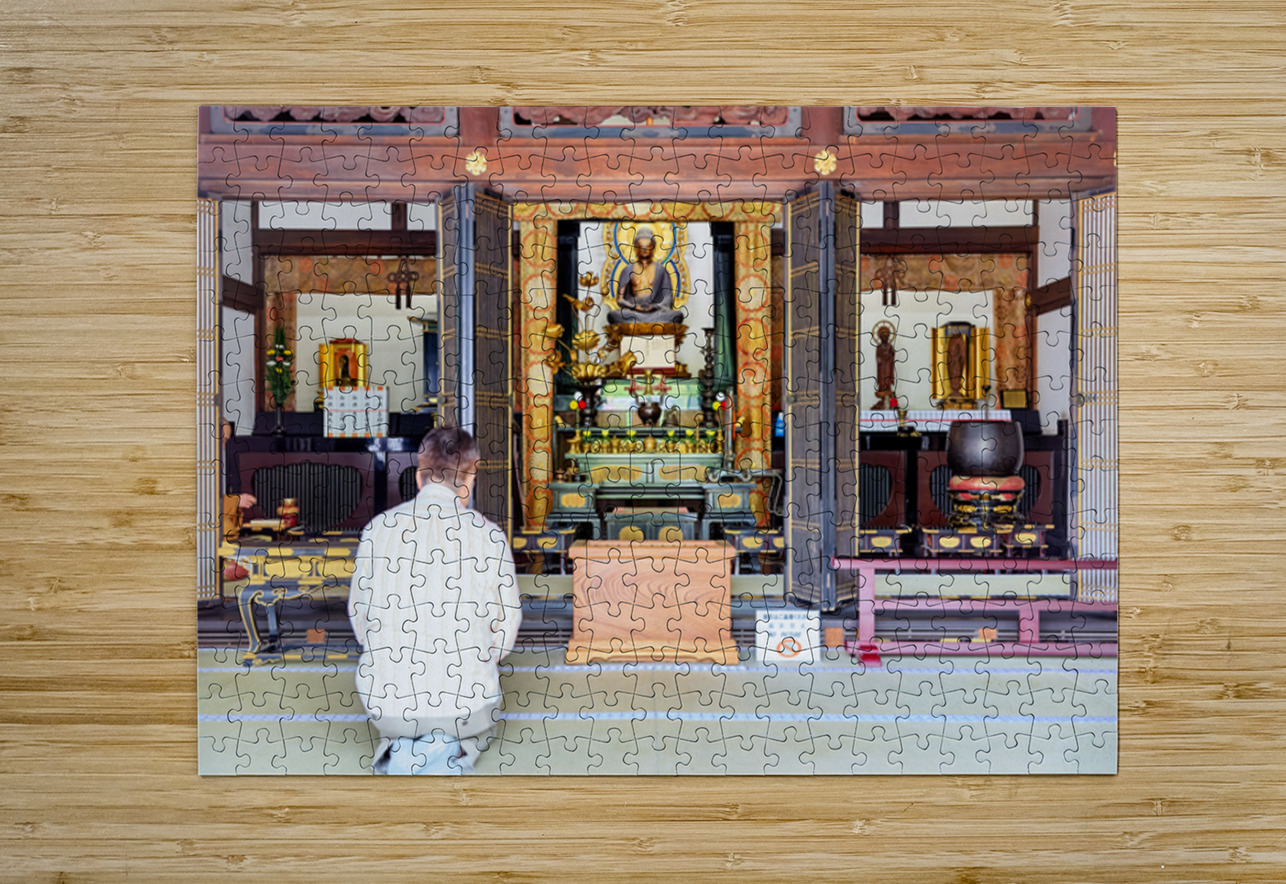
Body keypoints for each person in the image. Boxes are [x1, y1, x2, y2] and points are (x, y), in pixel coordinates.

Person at [348, 427, 522, 774]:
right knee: (464, 713)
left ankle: (407, 748)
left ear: (418, 476)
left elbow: (361, 619)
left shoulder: (378, 530)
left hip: (387, 706)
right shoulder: (489, 536)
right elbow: (506, 630)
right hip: (467, 706)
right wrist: (482, 655)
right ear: (470, 477)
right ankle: (444, 751)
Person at [606, 227, 684, 324]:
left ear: (654, 247)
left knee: (677, 315)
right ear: (635, 248)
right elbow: (620, 300)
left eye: (648, 246)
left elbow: (668, 298)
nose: (644, 250)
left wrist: (655, 307)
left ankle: (645, 323)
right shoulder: (628, 270)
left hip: (656, 312)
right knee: (613, 315)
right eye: (641, 246)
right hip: (633, 312)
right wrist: (634, 306)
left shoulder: (661, 270)